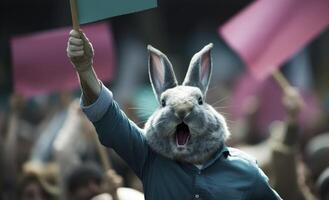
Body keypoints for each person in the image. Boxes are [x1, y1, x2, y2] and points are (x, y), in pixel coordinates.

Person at [66, 29, 281, 199]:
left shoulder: (245, 169)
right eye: (166, 104)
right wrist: (85, 70)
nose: (182, 113)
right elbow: (108, 116)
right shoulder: (149, 157)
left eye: (197, 101)